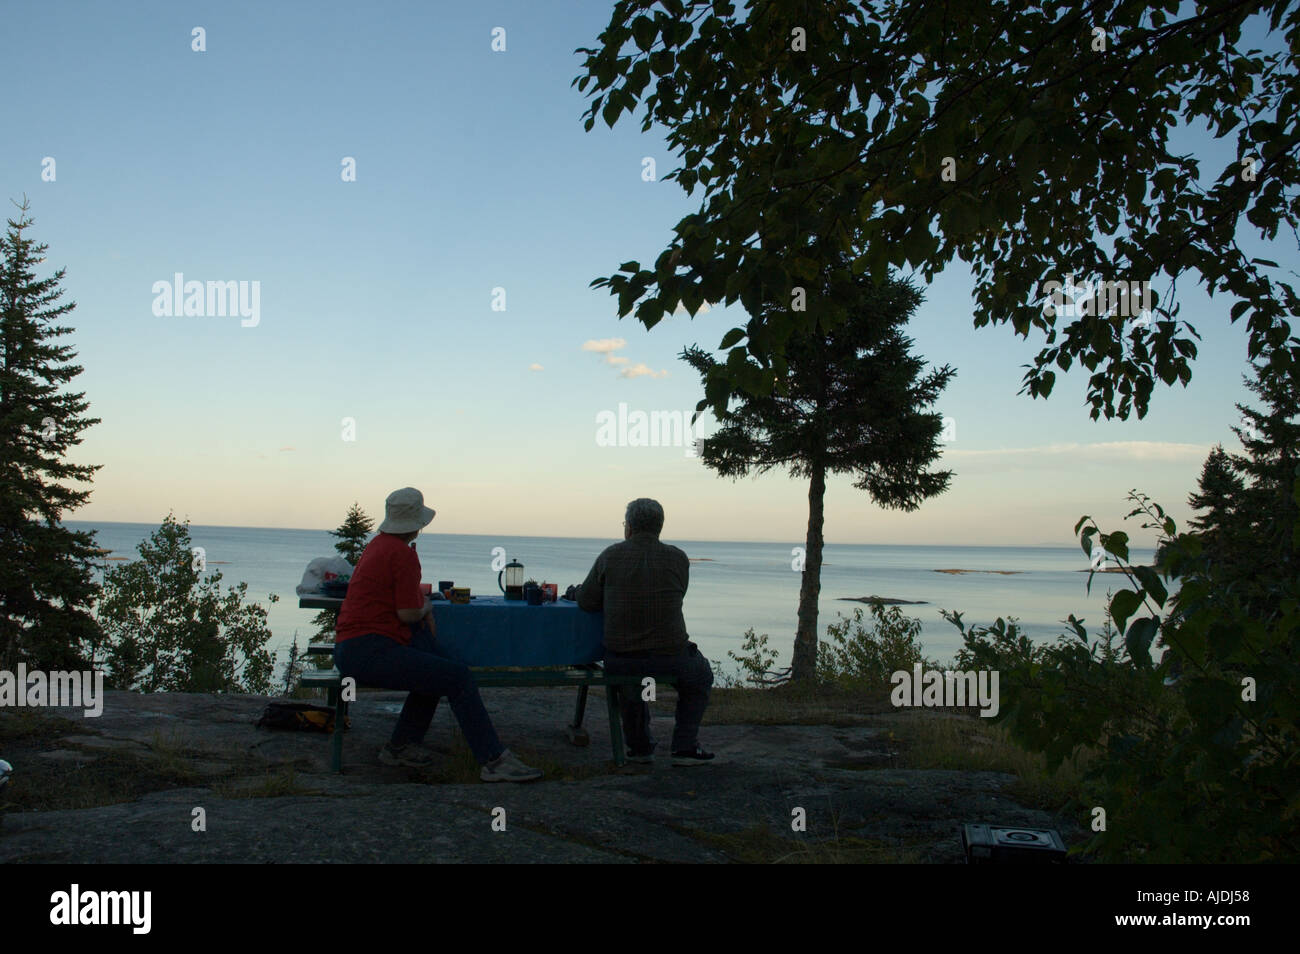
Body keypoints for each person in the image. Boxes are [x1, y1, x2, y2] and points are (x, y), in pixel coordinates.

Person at [334, 487, 542, 782]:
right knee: (458, 677)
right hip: (371, 651)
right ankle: (494, 760)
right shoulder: (402, 555)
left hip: (349, 648)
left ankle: (400, 747)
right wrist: (426, 606)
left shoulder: (376, 546)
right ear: (417, 524)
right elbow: (407, 614)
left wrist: (419, 608)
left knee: (434, 667)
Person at [577, 498, 714, 765]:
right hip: (671, 655)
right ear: (660, 527)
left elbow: (587, 601)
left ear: (628, 527)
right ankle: (685, 746)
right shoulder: (678, 558)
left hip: (622, 657)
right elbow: (678, 594)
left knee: (632, 682)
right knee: (700, 676)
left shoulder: (610, 556)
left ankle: (640, 748)